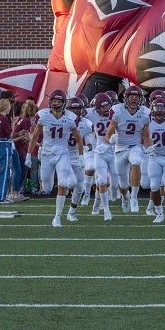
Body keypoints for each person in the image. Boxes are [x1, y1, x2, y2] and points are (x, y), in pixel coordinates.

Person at [26, 89, 84, 227]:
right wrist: (29, 155)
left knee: (63, 184)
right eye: (54, 101)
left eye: (58, 101)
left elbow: (78, 138)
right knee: (46, 188)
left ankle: (57, 217)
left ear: (64, 103)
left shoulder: (70, 117)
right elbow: (34, 136)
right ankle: (69, 177)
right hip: (46, 154)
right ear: (50, 101)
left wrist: (81, 156)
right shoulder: (43, 115)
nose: (56, 103)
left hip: (62, 153)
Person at [104, 85, 152, 214]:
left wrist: (150, 149)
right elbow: (108, 134)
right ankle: (125, 197)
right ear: (125, 98)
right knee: (123, 183)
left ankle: (134, 198)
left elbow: (146, 135)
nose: (134, 98)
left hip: (135, 146)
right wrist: (110, 140)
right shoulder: (117, 111)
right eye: (131, 96)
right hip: (120, 149)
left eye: (136, 96)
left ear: (141, 98)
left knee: (136, 162)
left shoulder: (145, 113)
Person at [64, 97, 95, 222]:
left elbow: (91, 144)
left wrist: (86, 148)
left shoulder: (87, 124)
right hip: (64, 156)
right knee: (71, 183)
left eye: (78, 108)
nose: (76, 111)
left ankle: (71, 212)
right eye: (73, 108)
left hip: (78, 157)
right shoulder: (63, 121)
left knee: (80, 187)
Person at [86, 92, 116, 220]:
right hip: (100, 151)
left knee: (114, 183)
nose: (106, 109)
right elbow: (76, 113)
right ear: (96, 108)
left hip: (115, 151)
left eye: (107, 106)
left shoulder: (116, 112)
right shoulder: (92, 114)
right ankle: (106, 211)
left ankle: (97, 202)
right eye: (102, 107)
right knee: (102, 180)